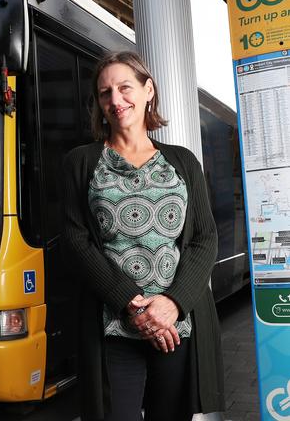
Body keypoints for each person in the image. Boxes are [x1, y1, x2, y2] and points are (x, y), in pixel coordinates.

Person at [62, 51, 224, 421]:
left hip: (175, 325)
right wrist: (133, 305)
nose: (115, 101)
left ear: (148, 89)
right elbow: (76, 241)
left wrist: (172, 303)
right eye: (105, 93)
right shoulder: (81, 162)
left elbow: (204, 238)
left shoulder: (182, 161)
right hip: (113, 325)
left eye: (124, 88)